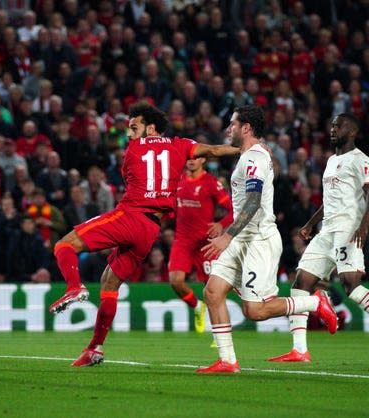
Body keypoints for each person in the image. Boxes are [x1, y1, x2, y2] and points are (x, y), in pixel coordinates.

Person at [50, 102, 242, 367]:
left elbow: (130, 178)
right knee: (109, 284)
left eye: (134, 127)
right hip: (150, 230)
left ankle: (74, 287)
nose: (129, 134)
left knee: (63, 245)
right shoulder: (180, 145)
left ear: (150, 128)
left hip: (130, 216)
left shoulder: (131, 152)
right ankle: (95, 347)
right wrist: (247, 146)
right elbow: (214, 150)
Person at [196, 105, 337, 374]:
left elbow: (253, 201)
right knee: (213, 292)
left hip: (258, 240)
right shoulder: (249, 154)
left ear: (246, 128)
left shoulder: (255, 159)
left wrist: (227, 235)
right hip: (241, 239)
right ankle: (227, 360)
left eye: (232, 124)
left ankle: (316, 302)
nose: (228, 129)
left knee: (255, 311)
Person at [268, 113, 369, 363]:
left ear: (352, 131)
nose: (333, 129)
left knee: (352, 286)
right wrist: (310, 224)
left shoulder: (360, 160)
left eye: (339, 125)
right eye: (332, 125)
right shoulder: (332, 161)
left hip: (348, 228)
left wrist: (363, 228)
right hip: (326, 231)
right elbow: (329, 201)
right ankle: (299, 350)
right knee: (301, 284)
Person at [168, 157, 233, 333]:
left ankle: (218, 333)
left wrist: (221, 224)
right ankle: (197, 307)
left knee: (213, 291)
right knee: (175, 281)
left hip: (205, 243)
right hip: (182, 240)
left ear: (203, 159)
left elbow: (233, 209)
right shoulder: (178, 181)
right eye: (188, 158)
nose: (191, 161)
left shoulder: (211, 182)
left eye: (195, 157)